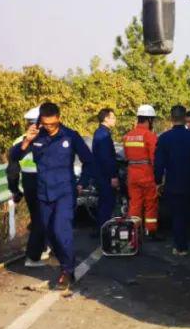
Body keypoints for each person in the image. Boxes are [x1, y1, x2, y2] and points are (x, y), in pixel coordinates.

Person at [10, 101, 102, 290]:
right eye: (46, 124)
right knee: (48, 232)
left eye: (53, 123)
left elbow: (89, 161)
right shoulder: (36, 136)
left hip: (65, 192)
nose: (49, 127)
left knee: (61, 231)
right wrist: (26, 140)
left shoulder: (70, 136)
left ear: (59, 118)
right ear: (40, 121)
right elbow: (13, 157)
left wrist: (82, 183)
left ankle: (67, 271)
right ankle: (64, 263)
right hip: (42, 193)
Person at [8, 107, 50, 266]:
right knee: (41, 218)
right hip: (41, 181)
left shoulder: (18, 141)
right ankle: (32, 257)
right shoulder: (45, 139)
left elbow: (12, 169)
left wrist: (14, 189)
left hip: (28, 182)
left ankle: (42, 248)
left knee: (38, 217)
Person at [155, 104, 190, 256]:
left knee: (177, 215)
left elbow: (159, 163)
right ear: (184, 118)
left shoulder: (164, 138)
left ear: (171, 119)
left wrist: (158, 181)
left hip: (173, 183)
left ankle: (181, 247)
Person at [123, 105, 161, 240]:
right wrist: (159, 177)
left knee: (135, 204)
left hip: (132, 175)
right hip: (146, 174)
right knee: (150, 203)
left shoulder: (128, 136)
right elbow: (155, 158)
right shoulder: (149, 135)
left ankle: (132, 232)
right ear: (149, 120)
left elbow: (126, 157)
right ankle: (150, 232)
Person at [85, 108, 120, 231]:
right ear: (106, 118)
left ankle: (100, 230)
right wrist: (113, 176)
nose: (115, 120)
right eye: (113, 117)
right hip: (105, 176)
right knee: (107, 203)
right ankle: (104, 232)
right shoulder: (104, 135)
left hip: (100, 175)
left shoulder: (100, 132)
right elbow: (107, 158)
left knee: (103, 203)